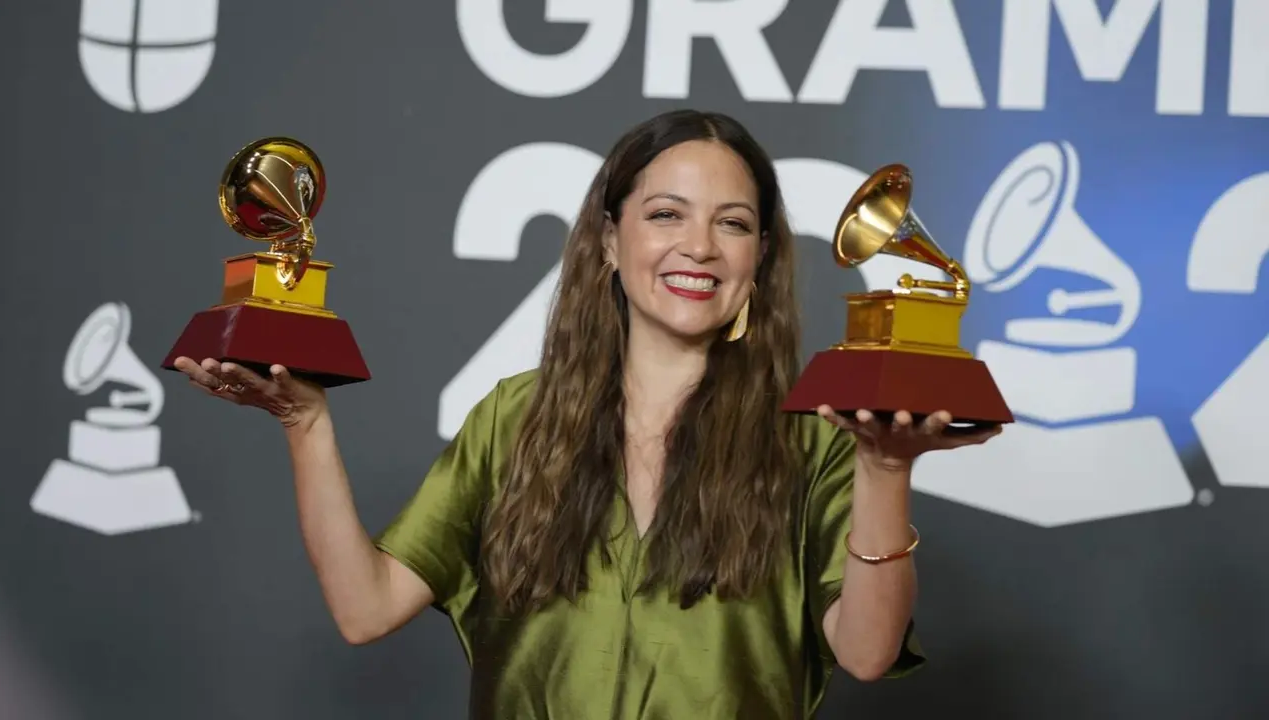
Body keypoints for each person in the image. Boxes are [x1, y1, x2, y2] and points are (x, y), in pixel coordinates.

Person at [173, 109, 1001, 719]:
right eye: (666, 213)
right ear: (610, 241)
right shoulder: (514, 419)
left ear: (760, 261)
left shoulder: (813, 439)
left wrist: (886, 469)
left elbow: (866, 652)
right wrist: (305, 424)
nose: (700, 247)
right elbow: (365, 608)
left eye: (734, 224)